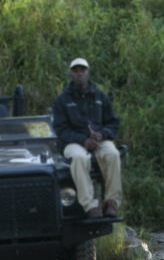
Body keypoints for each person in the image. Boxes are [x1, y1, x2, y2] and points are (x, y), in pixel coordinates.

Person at [52, 57, 122, 219]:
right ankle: (90, 206)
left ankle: (111, 202)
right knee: (78, 158)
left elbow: (113, 123)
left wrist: (102, 134)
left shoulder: (100, 97)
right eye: (75, 71)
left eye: (82, 70)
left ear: (88, 72)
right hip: (74, 142)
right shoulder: (63, 100)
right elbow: (61, 130)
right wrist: (83, 140)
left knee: (113, 154)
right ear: (71, 74)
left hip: (99, 140)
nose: (79, 74)